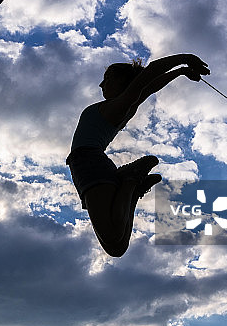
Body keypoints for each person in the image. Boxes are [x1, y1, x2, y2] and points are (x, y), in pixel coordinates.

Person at [66, 53, 210, 256]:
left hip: (89, 163)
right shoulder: (125, 104)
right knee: (117, 247)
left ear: (124, 83)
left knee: (113, 240)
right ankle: (132, 185)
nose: (101, 85)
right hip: (90, 165)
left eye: (107, 79)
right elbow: (149, 86)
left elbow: (149, 75)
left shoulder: (121, 105)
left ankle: (130, 178)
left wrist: (185, 59)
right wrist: (181, 71)